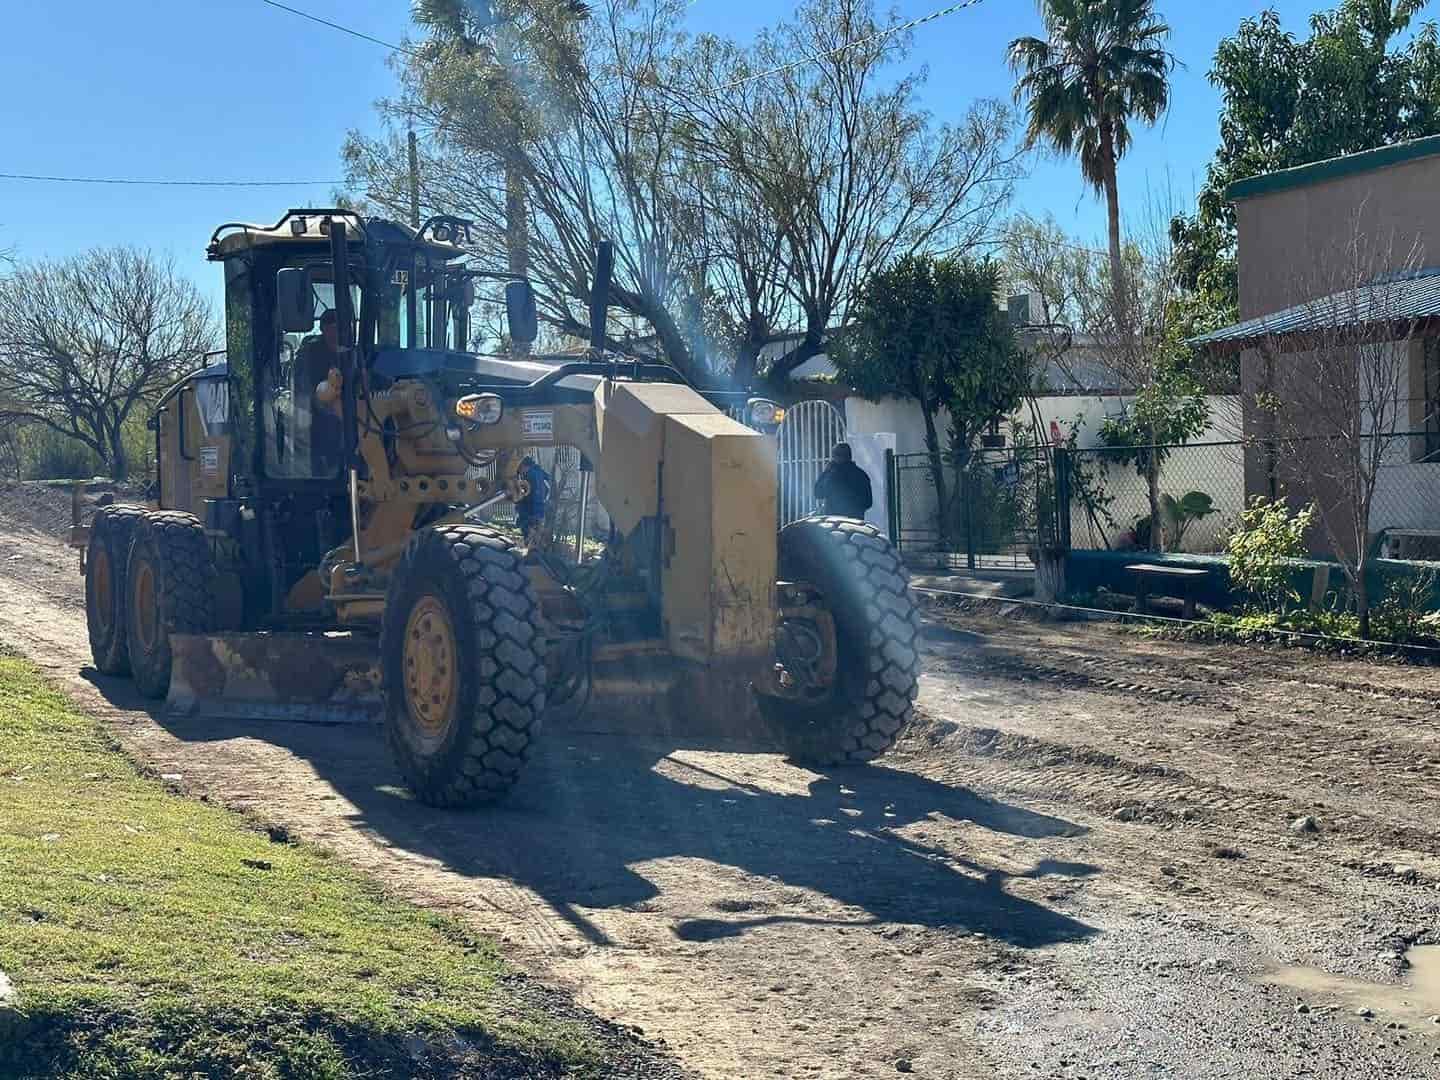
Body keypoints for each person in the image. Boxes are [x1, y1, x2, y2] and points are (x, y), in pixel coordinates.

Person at [295, 309, 346, 476]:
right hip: (317, 417)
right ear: (322, 329)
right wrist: (320, 405)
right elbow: (302, 388)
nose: (334, 333)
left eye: (338, 328)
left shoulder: (352, 352)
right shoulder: (310, 354)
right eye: (330, 328)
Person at [814, 442, 873, 520]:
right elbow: (868, 503)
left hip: (834, 523)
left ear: (836, 457)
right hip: (855, 523)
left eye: (833, 456)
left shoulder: (832, 475)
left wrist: (826, 471)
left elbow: (818, 493)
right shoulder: (861, 474)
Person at [514, 456, 552, 548]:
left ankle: (529, 554)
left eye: (520, 469)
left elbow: (527, 494)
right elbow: (547, 489)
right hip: (540, 511)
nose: (520, 473)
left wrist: (519, 505)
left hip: (530, 512)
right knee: (537, 539)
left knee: (530, 538)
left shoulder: (530, 475)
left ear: (523, 466)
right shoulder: (541, 473)